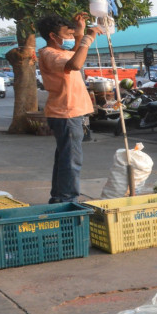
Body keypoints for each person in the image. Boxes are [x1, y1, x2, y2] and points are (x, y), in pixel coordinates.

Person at [37, 12, 102, 203]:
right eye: (67, 35)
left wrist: (80, 32)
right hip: (66, 112)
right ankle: (67, 201)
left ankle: (59, 199)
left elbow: (74, 52)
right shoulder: (50, 53)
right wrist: (88, 39)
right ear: (52, 36)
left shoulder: (60, 52)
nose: (70, 39)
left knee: (65, 159)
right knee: (71, 161)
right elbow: (76, 63)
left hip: (68, 112)